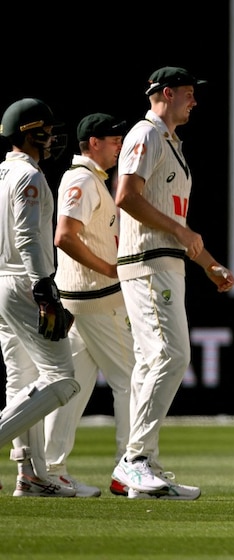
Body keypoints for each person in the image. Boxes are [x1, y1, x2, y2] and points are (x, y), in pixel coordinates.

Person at [111, 67, 234, 500]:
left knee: (152, 363)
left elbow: (176, 222)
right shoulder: (145, 134)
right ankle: (135, 461)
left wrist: (209, 264)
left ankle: (142, 465)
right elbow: (125, 196)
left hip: (163, 262)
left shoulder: (170, 142)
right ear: (166, 93)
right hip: (147, 262)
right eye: (188, 94)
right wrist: (182, 236)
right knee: (171, 354)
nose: (194, 101)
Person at [43, 113, 133, 498]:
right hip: (96, 301)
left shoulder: (90, 179)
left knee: (72, 388)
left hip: (81, 302)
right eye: (114, 140)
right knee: (134, 381)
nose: (119, 146)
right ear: (93, 143)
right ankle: (131, 467)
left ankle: (49, 471)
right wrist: (111, 269)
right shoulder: (82, 179)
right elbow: (64, 236)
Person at [0, 97, 80, 497]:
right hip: (23, 284)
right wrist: (44, 287)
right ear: (33, 133)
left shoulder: (1, 173)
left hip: (3, 282)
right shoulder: (29, 177)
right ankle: (28, 470)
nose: (52, 138)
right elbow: (29, 235)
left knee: (22, 379)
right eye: (47, 131)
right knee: (62, 380)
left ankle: (29, 473)